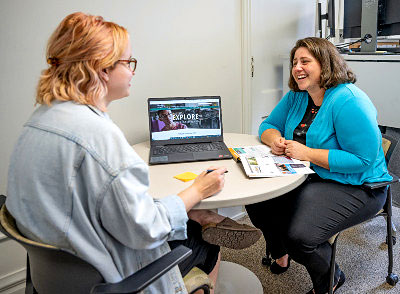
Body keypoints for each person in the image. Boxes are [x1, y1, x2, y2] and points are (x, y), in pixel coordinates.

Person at [5, 12, 260, 294]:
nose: (133, 71)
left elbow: (105, 205)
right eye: (129, 62)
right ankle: (202, 223)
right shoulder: (99, 138)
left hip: (63, 272)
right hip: (114, 276)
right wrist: (199, 190)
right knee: (204, 241)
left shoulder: (38, 121)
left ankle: (202, 216)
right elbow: (145, 229)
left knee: (186, 212)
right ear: (101, 68)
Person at [245, 37, 392, 294]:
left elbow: (363, 159)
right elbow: (267, 126)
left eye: (305, 61)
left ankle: (330, 279)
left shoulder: (349, 100)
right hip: (312, 176)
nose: (297, 68)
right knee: (258, 201)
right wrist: (275, 140)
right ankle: (280, 254)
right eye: (294, 62)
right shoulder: (297, 97)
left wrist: (308, 153)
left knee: (300, 237)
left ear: (325, 64)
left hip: (359, 185)